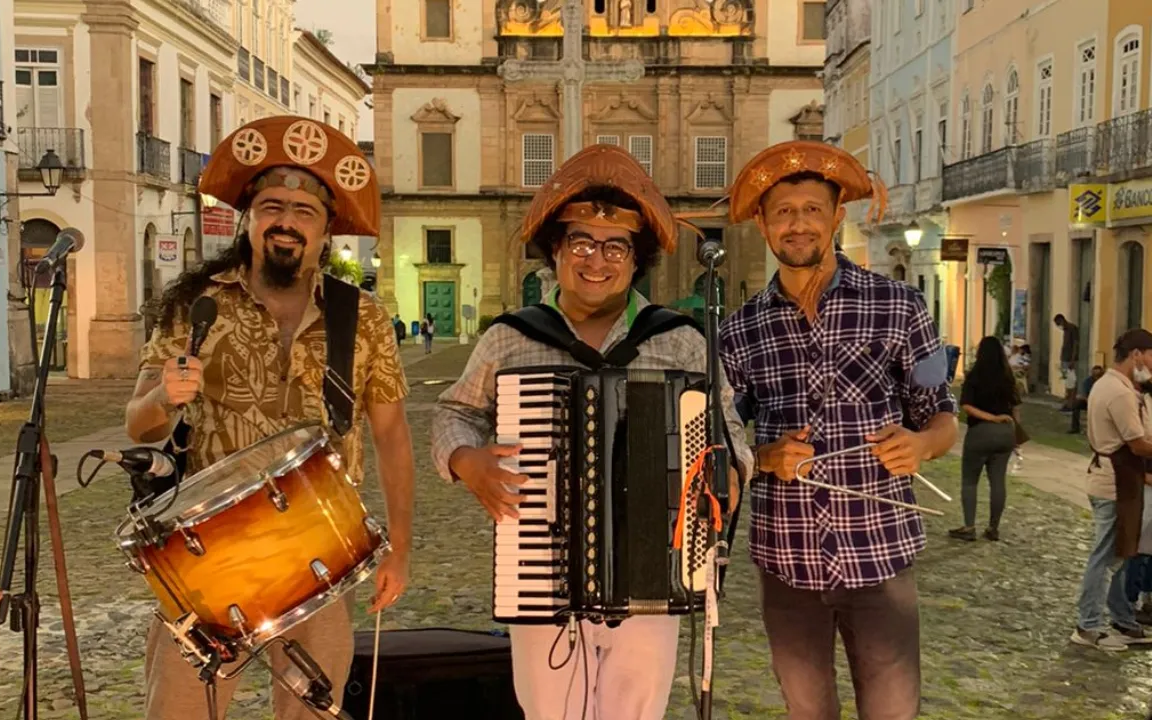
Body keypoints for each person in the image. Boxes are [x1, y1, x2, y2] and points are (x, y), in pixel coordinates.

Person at [430, 144, 755, 720]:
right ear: (555, 252)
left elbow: (728, 431)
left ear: (636, 259)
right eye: (580, 242)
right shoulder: (511, 337)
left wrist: (722, 476)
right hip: (541, 568)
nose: (596, 260)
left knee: (634, 713)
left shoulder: (679, 339)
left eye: (615, 247)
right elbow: (455, 412)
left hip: (651, 573)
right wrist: (465, 460)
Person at [126, 116, 416, 719]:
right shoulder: (196, 304)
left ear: (325, 231)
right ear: (249, 219)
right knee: (178, 713)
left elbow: (391, 435)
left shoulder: (361, 318)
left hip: (321, 556)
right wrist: (164, 399)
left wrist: (401, 549)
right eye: (271, 207)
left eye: (304, 212)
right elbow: (138, 425)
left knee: (313, 714)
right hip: (212, 560)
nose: (286, 222)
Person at [718, 141, 958, 720]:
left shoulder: (902, 306)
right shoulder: (738, 330)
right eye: (783, 212)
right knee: (808, 712)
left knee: (893, 712)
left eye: (810, 210)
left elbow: (942, 412)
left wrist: (922, 444)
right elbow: (723, 436)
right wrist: (764, 454)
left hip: (880, 552)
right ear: (762, 223)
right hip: (786, 557)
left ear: (835, 218)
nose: (797, 224)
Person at [1072, 328, 1152, 650]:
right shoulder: (1119, 392)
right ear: (1136, 355)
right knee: (1105, 558)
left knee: (1117, 555)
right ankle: (1088, 626)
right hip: (1114, 484)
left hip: (1112, 480)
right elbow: (1137, 444)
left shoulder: (1110, 384)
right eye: (1150, 357)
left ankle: (1118, 617)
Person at [948, 336, 1021, 542]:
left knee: (970, 481)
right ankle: (993, 527)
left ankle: (969, 526)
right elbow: (1016, 407)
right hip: (1005, 432)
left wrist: (991, 418)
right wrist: (1015, 431)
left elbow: (967, 406)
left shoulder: (974, 376)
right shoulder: (1008, 377)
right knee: (998, 481)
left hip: (980, 431)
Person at [1070, 364, 1105, 434]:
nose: (1097, 377)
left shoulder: (1105, 381)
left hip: (1102, 402)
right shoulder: (1087, 382)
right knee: (1076, 405)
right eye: (1095, 375)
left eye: (1099, 375)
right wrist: (1090, 403)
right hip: (1089, 401)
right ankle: (1075, 428)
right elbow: (1085, 396)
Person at [1055, 313, 1081, 410]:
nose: (1059, 326)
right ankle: (1067, 402)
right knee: (1067, 381)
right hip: (1065, 358)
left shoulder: (1072, 329)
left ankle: (1071, 403)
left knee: (1072, 381)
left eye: (1058, 323)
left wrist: (1073, 360)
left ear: (1062, 320)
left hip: (1070, 359)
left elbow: (1075, 344)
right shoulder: (1065, 330)